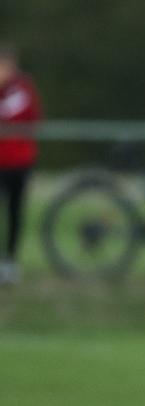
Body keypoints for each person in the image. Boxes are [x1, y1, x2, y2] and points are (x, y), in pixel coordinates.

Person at [0, 44, 41, 285]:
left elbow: (32, 118)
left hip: (19, 162)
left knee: (15, 212)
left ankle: (10, 261)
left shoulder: (23, 89)